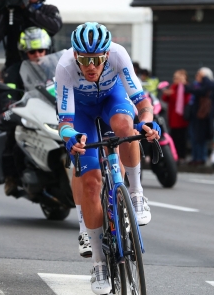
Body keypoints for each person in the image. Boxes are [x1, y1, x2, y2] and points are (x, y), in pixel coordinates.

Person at [55, 22, 160, 294]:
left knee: (126, 127)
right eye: (85, 59)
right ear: (75, 55)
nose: (91, 66)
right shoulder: (65, 66)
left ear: (106, 55)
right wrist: (71, 137)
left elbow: (143, 103)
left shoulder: (118, 54)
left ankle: (135, 192)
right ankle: (99, 263)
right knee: (90, 182)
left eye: (97, 59)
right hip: (82, 113)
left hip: (112, 100)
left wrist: (148, 123)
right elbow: (64, 121)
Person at [3, 27, 53, 197]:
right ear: (25, 52)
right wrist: (10, 106)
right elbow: (7, 94)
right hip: (28, 113)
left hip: (53, 111)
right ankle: (11, 177)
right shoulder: (14, 71)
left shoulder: (58, 68)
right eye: (33, 51)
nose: (38, 54)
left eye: (41, 50)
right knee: (13, 137)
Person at [0, 0, 62, 83]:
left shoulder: (48, 10)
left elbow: (55, 27)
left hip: (46, 69)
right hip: (17, 71)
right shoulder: (11, 13)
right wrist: (3, 11)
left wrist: (28, 10)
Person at [185, 67, 214, 166]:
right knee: (194, 137)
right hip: (194, 115)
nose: (197, 76)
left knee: (200, 138)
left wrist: (204, 77)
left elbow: (201, 90)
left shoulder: (207, 86)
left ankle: (201, 157)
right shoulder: (196, 85)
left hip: (202, 116)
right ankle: (195, 157)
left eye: (200, 75)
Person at [162, 69, 190, 163]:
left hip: (182, 118)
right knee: (174, 137)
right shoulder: (173, 87)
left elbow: (185, 100)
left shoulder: (185, 88)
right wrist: (167, 94)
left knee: (182, 138)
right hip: (173, 118)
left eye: (177, 78)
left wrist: (172, 94)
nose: (175, 79)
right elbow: (165, 99)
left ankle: (182, 156)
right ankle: (175, 155)